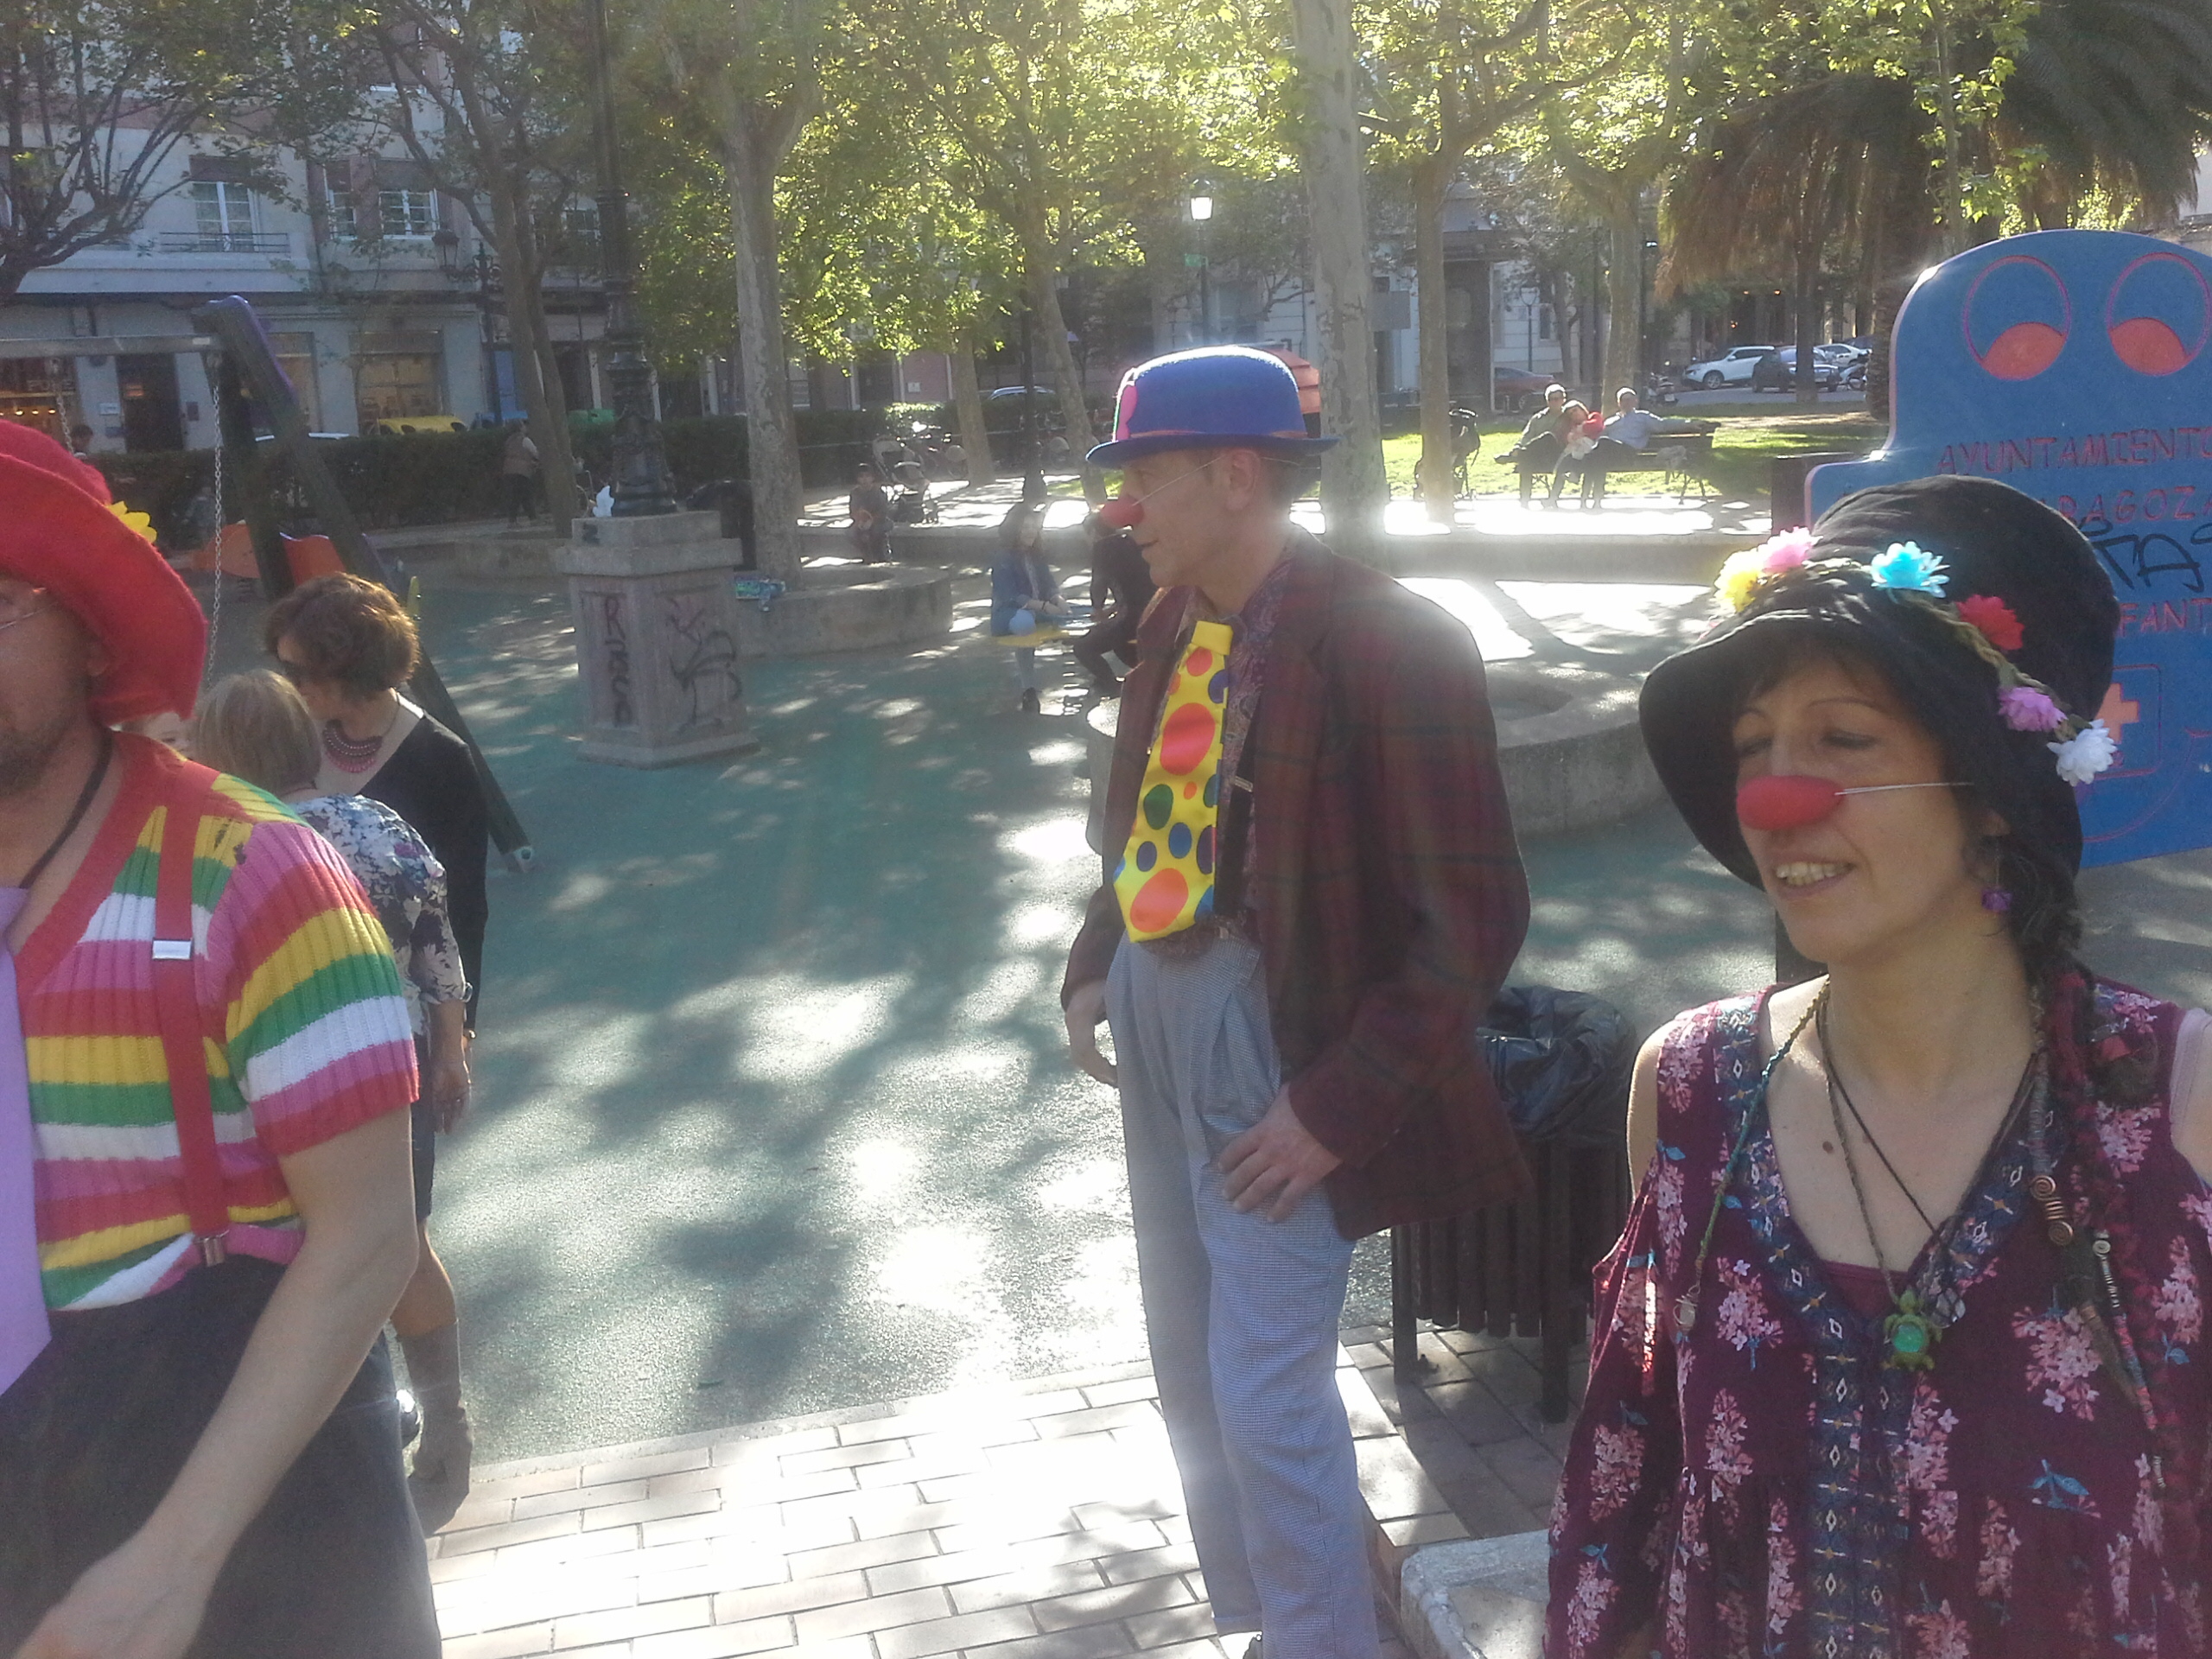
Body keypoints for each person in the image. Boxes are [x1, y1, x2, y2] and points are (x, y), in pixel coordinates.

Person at [1549, 476, 2212, 1657]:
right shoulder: (1690, 1089)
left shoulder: (2183, 1102)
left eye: (1844, 739)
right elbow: (1631, 1491)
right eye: (1752, 747)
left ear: (1992, 794)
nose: (1771, 799)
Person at [1063, 347, 1530, 1659]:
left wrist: (1334, 1109)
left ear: (1234, 474)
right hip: (1161, 1001)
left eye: (1144, 476)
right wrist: (1097, 958)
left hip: (1272, 1034)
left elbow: (1473, 918)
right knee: (1191, 1349)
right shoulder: (1176, 620)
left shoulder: (1392, 640)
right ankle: (1282, 1615)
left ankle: (1327, 1640)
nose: (1122, 509)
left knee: (1264, 1391)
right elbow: (1145, 820)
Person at [0, 422, 436, 1654]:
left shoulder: (253, 872)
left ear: (92, 634)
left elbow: (369, 1235)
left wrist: (172, 1563)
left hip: (256, 1513)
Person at [263, 571, 490, 1530]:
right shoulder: (284, 742)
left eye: (300, 669)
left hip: (389, 1043)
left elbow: (456, 921)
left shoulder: (434, 761)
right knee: (319, 1241)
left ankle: (444, 1418)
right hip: (283, 1050)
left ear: (345, 672)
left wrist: (453, 1042)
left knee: (395, 1237)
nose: (286, 683)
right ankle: (375, 1405)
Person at [189, 674, 473, 1349]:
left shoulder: (225, 848)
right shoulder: (377, 822)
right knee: (404, 1243)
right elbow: (436, 947)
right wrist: (451, 1054)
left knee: (315, 1256)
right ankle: (444, 1400)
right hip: (395, 1059)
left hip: (278, 1072)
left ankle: (353, 1395)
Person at [989, 501, 1069, 715]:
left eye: (1034, 527)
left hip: (1038, 609)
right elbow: (1010, 594)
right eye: (1025, 527)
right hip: (1009, 613)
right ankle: (1028, 688)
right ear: (1014, 529)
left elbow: (1048, 583)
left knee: (1071, 613)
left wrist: (1058, 599)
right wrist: (1042, 606)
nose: (1031, 532)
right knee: (1025, 622)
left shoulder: (1037, 554)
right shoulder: (1003, 557)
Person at [1070, 510, 1156, 695]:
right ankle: (1148, 677)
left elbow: (1098, 585)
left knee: (1082, 647)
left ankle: (1111, 684)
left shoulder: (1102, 547)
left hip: (1131, 618)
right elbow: (1134, 587)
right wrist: (1112, 610)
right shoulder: (1131, 541)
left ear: (1093, 532)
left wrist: (1098, 609)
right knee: (1118, 643)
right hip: (1155, 609)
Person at [1499, 383, 1572, 504]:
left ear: (1563, 400)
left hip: (1558, 456)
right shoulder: (1538, 418)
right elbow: (1526, 437)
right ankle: (1524, 499)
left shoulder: (1569, 417)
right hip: (1537, 456)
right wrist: (1518, 447)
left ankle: (1516, 456)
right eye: (1551, 399)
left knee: (1548, 437)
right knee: (1526, 461)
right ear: (1547, 401)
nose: (1554, 402)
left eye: (1557, 399)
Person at [849, 462, 892, 562]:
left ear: (872, 478)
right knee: (850, 533)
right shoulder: (855, 493)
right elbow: (852, 511)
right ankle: (865, 553)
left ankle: (880, 553)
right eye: (861, 477)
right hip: (862, 521)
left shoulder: (879, 492)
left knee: (876, 531)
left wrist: (871, 521)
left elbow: (883, 511)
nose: (865, 479)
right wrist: (859, 521)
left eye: (867, 476)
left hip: (880, 521)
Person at [500, 422, 539, 525]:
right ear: (521, 428)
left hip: (508, 470)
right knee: (527, 496)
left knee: (514, 497)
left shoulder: (508, 441)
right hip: (522, 471)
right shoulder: (525, 440)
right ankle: (533, 519)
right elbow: (535, 453)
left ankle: (512, 521)